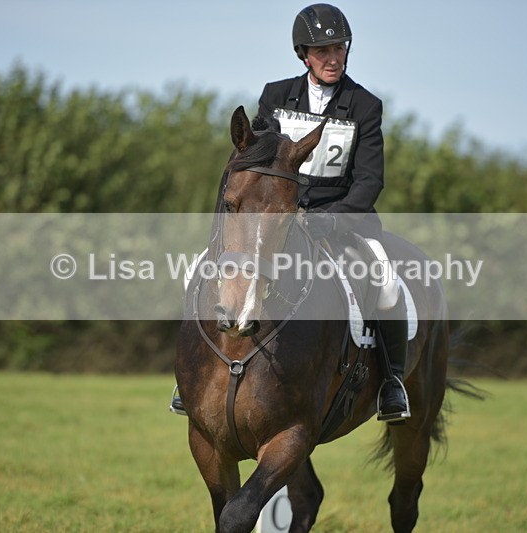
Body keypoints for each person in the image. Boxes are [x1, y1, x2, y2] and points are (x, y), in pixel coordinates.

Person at [171, 3, 410, 423]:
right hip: (276, 219)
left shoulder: (365, 105)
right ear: (304, 55)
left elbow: (369, 181)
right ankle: (191, 374)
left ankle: (392, 382)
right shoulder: (277, 96)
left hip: (342, 221)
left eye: (339, 49)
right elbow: (255, 160)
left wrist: (331, 218)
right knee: (199, 269)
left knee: (387, 283)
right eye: (323, 51)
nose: (333, 58)